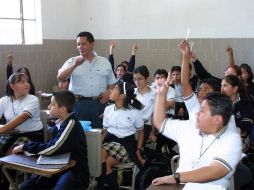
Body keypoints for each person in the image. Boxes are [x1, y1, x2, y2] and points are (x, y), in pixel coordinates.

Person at [152, 89, 242, 188]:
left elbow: (214, 171)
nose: (196, 114)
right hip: (179, 185)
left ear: (217, 119)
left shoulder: (232, 140)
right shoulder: (188, 128)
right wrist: (160, 95)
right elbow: (159, 123)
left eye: (202, 111)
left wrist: (175, 177)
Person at [13, 90, 90, 190]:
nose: (49, 107)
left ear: (62, 109)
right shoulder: (59, 123)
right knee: (27, 187)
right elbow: (52, 146)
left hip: (74, 171)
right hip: (57, 165)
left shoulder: (71, 124)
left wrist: (25, 147)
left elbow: (53, 148)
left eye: (52, 104)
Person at [57, 31, 116, 128]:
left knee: (98, 133)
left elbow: (112, 83)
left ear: (92, 44)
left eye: (83, 44)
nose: (80, 47)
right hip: (79, 104)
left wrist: (109, 93)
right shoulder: (72, 61)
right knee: (79, 134)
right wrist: (75, 65)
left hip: (99, 104)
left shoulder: (104, 62)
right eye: (78, 44)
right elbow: (60, 77)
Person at [96, 81, 145, 190]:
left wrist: (138, 151)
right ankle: (106, 186)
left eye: (114, 89)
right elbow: (105, 131)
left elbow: (141, 132)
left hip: (126, 145)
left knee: (105, 163)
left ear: (122, 95)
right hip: (110, 142)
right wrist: (97, 145)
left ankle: (101, 186)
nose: (110, 91)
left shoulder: (134, 112)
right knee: (97, 156)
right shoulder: (108, 109)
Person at [0, 72, 43, 156]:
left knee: (11, 156)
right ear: (12, 86)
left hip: (31, 135)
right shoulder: (4, 100)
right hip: (11, 134)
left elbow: (23, 117)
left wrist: (2, 129)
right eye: (22, 82)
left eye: (27, 81)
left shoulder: (33, 99)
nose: (27, 84)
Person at [133, 65, 156, 141]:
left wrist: (153, 132)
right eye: (135, 79)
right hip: (131, 124)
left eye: (140, 79)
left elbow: (155, 115)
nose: (137, 82)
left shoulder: (155, 93)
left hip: (145, 125)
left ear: (147, 78)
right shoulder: (132, 92)